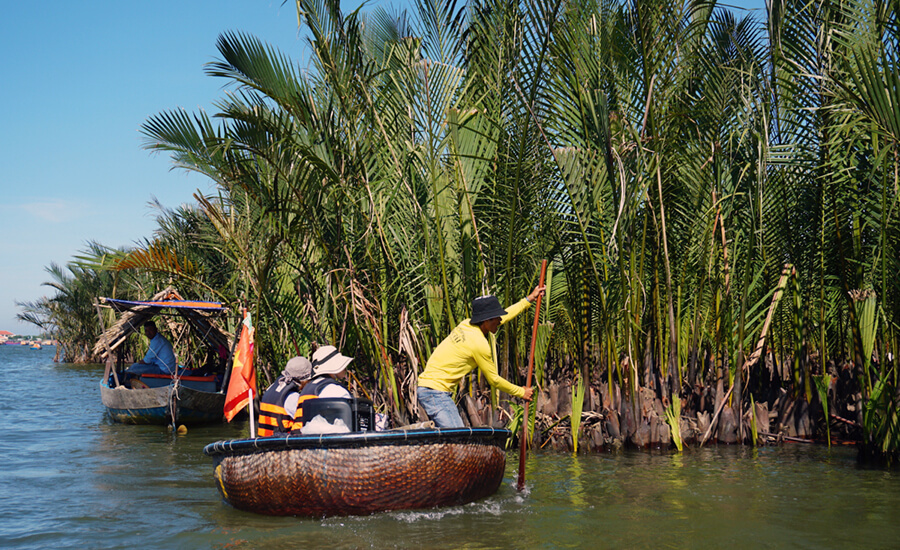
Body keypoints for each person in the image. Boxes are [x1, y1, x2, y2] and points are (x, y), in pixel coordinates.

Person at [416, 286, 545, 428]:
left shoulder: (466, 324)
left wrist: (528, 299)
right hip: (435, 393)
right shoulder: (479, 344)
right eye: (496, 317)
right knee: (459, 438)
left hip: (429, 389)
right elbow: (494, 380)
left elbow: (504, 316)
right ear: (486, 320)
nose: (500, 319)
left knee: (455, 438)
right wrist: (521, 392)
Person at [257, 356, 313, 437]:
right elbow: (308, 421)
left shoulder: (271, 388)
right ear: (304, 380)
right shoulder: (293, 397)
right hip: (281, 445)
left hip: (264, 440)